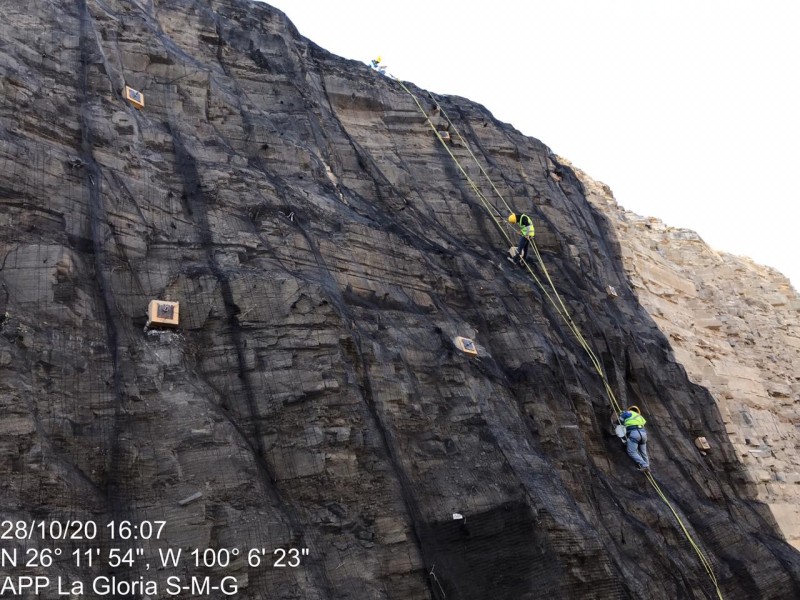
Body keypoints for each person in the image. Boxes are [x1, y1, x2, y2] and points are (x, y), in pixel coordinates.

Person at [620, 405, 649, 472]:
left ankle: (645, 465)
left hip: (634, 433)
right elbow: (643, 424)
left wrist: (622, 414)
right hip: (643, 434)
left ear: (630, 409)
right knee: (643, 453)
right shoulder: (641, 417)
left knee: (632, 452)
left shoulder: (627, 413)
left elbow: (620, 420)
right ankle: (647, 467)